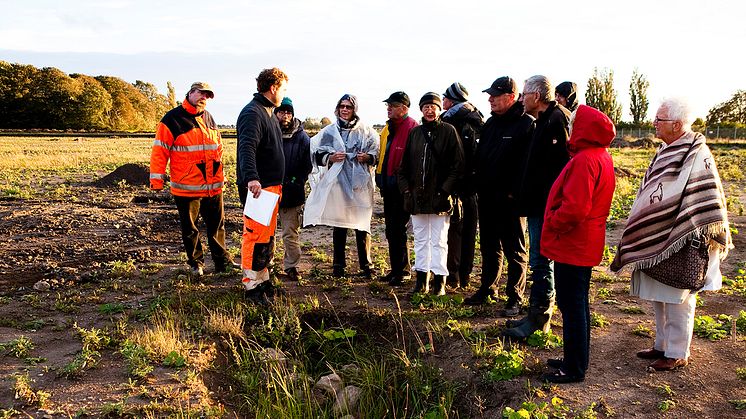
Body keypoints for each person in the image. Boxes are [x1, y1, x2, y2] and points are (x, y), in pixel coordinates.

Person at [610, 98, 731, 372]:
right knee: (659, 293)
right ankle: (662, 344)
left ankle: (677, 352)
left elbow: (706, 197)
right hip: (662, 234)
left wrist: (686, 227)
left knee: (679, 296)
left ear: (677, 124)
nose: (654, 123)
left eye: (659, 119)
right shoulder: (667, 148)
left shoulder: (697, 153)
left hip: (685, 237)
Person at [540, 105, 616, 383]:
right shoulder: (600, 156)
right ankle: (575, 358)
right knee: (577, 303)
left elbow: (575, 208)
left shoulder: (585, 160)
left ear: (583, 129)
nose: (570, 129)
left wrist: (553, 223)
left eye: (574, 125)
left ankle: (573, 369)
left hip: (573, 242)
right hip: (584, 241)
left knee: (572, 305)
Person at [504, 76, 570, 338]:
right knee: (539, 259)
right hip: (536, 203)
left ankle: (540, 317)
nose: (521, 99)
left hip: (547, 204)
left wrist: (554, 203)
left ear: (538, 96)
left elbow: (562, 166)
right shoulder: (542, 120)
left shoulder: (557, 119)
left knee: (542, 260)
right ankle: (536, 312)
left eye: (524, 94)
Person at [150, 82, 235, 277]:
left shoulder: (209, 118)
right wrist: (156, 180)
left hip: (213, 186)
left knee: (217, 226)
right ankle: (196, 264)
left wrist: (221, 173)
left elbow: (218, 148)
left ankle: (222, 263)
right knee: (190, 229)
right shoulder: (172, 119)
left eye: (207, 95)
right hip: (187, 187)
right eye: (201, 93)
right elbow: (159, 151)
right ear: (190, 93)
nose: (204, 98)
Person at [465, 76, 532, 317]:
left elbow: (527, 166)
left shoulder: (526, 125)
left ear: (511, 97)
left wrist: (516, 193)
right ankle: (488, 288)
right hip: (487, 197)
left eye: (495, 95)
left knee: (514, 248)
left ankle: (515, 296)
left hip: (511, 200)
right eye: (490, 95)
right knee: (489, 246)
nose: (490, 98)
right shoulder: (491, 124)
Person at [304, 94, 379, 278]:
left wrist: (367, 158)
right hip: (338, 184)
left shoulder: (366, 131)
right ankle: (339, 265)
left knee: (362, 225)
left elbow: (376, 154)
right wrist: (330, 158)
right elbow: (315, 151)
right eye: (342, 106)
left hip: (359, 185)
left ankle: (366, 265)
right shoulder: (329, 132)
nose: (345, 110)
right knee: (340, 224)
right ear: (337, 109)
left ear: (355, 110)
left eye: (349, 107)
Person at [398, 92, 464, 295]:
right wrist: (407, 191)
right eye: (426, 106)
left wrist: (444, 191)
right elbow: (404, 168)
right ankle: (421, 281)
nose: (429, 110)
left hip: (440, 200)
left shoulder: (449, 131)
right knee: (420, 240)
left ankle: (439, 283)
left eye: (433, 106)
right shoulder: (415, 134)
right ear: (421, 110)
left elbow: (457, 166)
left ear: (439, 109)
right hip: (417, 199)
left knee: (439, 241)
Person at [236, 67, 289, 301]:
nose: (284, 93)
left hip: (271, 188)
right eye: (284, 88)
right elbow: (246, 148)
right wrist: (252, 178)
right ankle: (251, 285)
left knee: (267, 238)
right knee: (254, 236)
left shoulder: (268, 112)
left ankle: (263, 279)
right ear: (273, 87)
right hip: (259, 188)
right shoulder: (253, 113)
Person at [441, 82, 484, 290]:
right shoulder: (477, 118)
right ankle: (462, 275)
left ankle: (454, 275)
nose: (442, 102)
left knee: (456, 231)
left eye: (444, 98)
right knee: (467, 231)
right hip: (471, 186)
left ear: (452, 101)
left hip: (460, 185)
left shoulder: (455, 122)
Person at [376, 91, 418, 286]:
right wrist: (379, 177)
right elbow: (383, 155)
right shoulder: (388, 128)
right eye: (388, 105)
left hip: (402, 188)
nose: (389, 108)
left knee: (398, 229)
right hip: (388, 185)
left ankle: (403, 271)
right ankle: (396, 268)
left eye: (393, 105)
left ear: (404, 108)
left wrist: (408, 187)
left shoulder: (412, 128)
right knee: (391, 229)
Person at [274, 97, 312, 282]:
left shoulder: (302, 138)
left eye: (289, 112)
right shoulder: (268, 133)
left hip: (292, 192)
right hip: (268, 190)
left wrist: (296, 181)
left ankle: (292, 266)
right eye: (282, 111)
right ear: (276, 113)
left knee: (290, 232)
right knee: (266, 232)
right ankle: (267, 264)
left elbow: (307, 165)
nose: (285, 115)